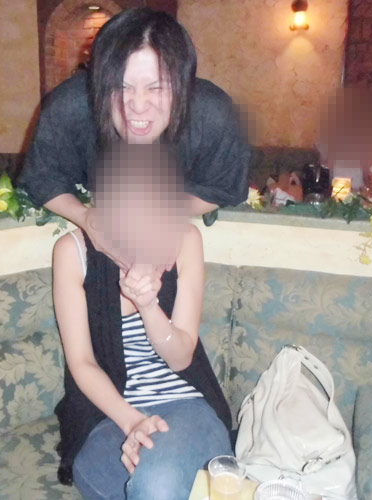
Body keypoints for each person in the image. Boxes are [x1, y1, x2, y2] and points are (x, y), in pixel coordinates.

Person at [53, 142, 233, 500]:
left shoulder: (184, 241)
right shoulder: (72, 253)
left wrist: (148, 306)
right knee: (151, 489)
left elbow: (181, 357)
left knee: (157, 487)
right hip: (105, 418)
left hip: (186, 407)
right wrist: (132, 420)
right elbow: (82, 363)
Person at [18, 8, 250, 265]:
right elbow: (42, 177)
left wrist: (160, 214)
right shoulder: (69, 105)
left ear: (183, 85)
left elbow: (224, 186)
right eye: (120, 86)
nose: (138, 106)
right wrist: (85, 217)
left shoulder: (213, 113)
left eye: (157, 87)